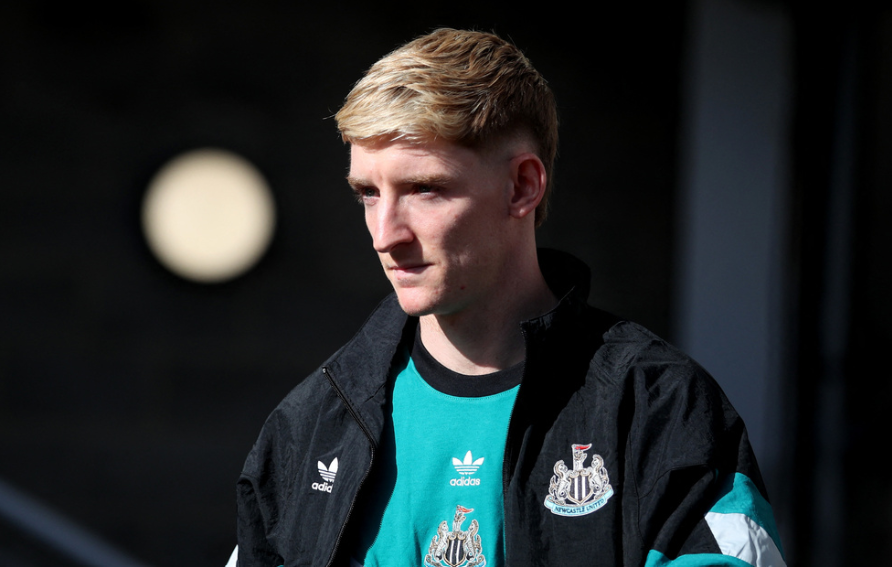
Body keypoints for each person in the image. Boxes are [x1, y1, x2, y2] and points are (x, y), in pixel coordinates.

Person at [232, 28, 784, 567]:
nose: (385, 234)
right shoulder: (310, 425)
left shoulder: (659, 409)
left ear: (523, 186)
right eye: (368, 194)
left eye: (425, 188)